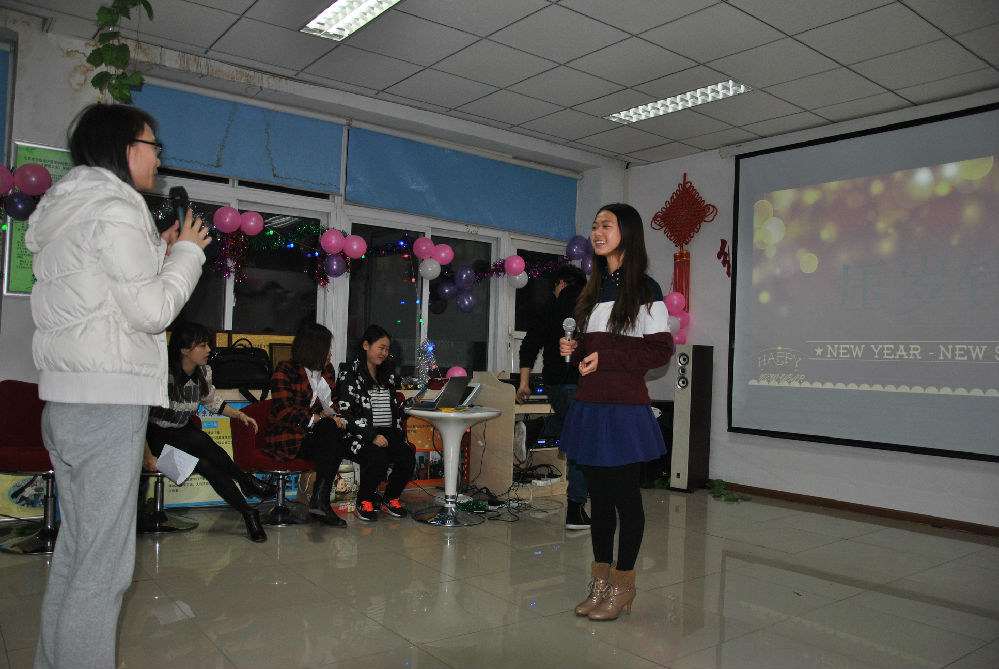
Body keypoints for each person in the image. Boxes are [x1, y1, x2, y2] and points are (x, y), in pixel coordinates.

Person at [26, 103, 211, 669]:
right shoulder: (116, 207)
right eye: (153, 147)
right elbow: (151, 312)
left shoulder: (70, 208)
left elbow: (108, 297)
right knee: (103, 569)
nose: (158, 159)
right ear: (125, 148)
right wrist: (187, 253)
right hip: (107, 405)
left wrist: (159, 251)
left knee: (77, 555)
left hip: (67, 403)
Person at [559, 203, 673, 622]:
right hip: (590, 405)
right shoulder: (592, 291)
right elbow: (594, 353)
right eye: (594, 226)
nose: (597, 232)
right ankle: (600, 581)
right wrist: (575, 351)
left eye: (605, 225)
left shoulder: (645, 289)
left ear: (627, 232)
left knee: (626, 499)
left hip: (624, 409)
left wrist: (605, 359)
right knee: (600, 501)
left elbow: (659, 351)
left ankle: (624, 585)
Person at [143, 321, 278, 543]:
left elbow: (213, 401)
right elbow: (139, 422)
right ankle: (245, 480)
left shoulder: (203, 373)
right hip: (155, 439)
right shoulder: (162, 375)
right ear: (184, 350)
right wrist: (147, 456)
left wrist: (240, 415)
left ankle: (248, 513)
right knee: (199, 443)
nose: (208, 350)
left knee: (205, 459)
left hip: (184, 434)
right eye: (202, 345)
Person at [515, 264, 591, 530]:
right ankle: (576, 509)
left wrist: (524, 384)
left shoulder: (548, 309)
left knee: (572, 426)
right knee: (581, 442)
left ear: (561, 284)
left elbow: (529, 347)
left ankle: (535, 428)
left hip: (554, 384)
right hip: (581, 382)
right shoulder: (589, 308)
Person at [264, 322, 349, 527]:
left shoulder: (326, 370)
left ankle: (319, 501)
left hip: (311, 435)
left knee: (334, 432)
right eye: (327, 348)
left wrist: (333, 414)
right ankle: (320, 503)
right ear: (313, 348)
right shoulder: (285, 370)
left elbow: (331, 402)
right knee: (332, 437)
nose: (330, 353)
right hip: (287, 435)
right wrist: (318, 418)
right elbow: (284, 412)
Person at [337, 325, 416, 521]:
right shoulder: (349, 374)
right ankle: (364, 501)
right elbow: (346, 414)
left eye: (387, 349)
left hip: (387, 431)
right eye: (381, 347)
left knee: (407, 456)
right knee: (377, 457)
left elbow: (391, 411)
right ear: (366, 345)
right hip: (359, 434)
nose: (384, 353)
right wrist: (372, 435)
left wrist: (408, 405)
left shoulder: (387, 374)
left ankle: (390, 499)